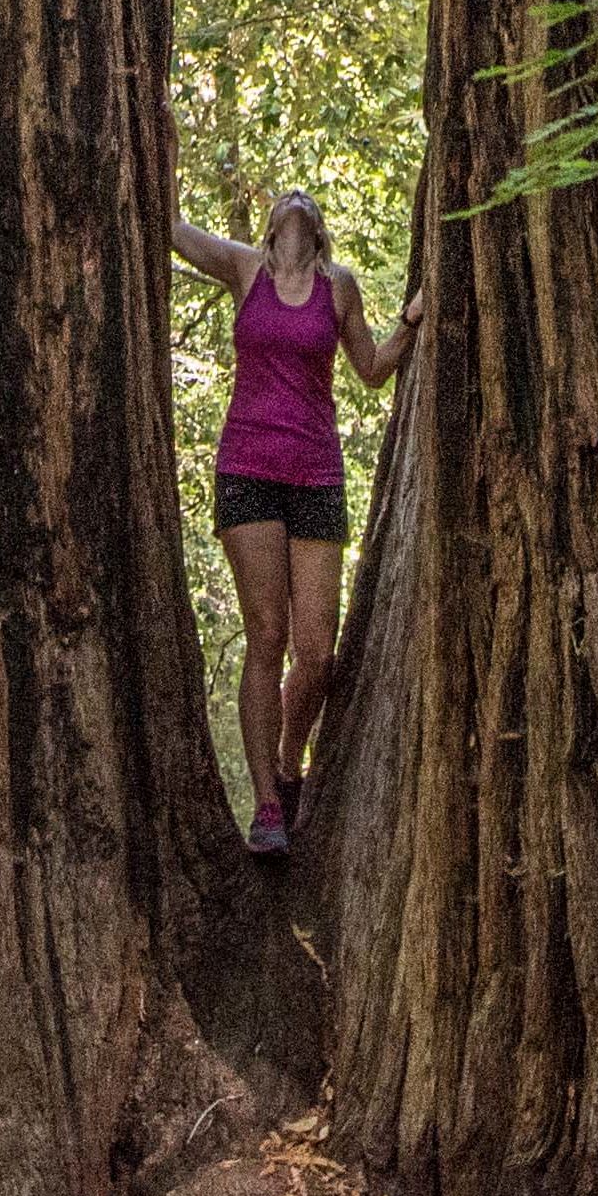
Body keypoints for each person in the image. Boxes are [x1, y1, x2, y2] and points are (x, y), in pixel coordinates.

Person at [171, 181, 419, 857]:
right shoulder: (245, 269)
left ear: (317, 228)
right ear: (273, 220)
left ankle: (289, 756)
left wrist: (412, 318)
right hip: (247, 468)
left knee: (314, 650)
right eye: (288, 193)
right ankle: (270, 806)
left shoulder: (337, 286)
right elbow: (172, 225)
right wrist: (161, 128)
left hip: (316, 474)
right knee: (267, 634)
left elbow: (370, 369)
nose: (298, 196)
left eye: (307, 198)